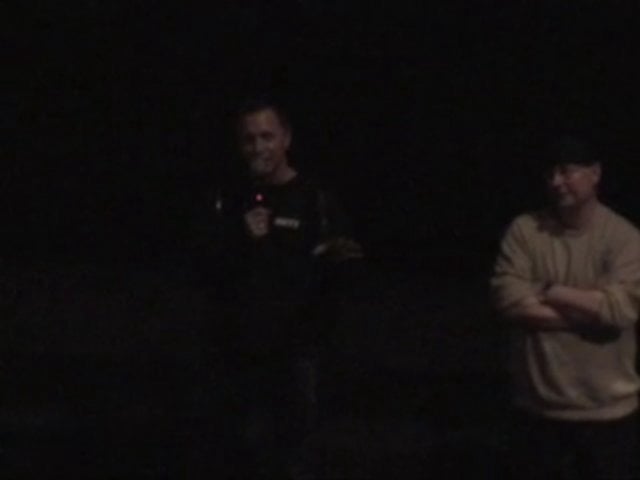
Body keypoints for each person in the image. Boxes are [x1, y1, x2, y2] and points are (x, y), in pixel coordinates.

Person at [191, 98, 362, 478]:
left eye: (267, 137)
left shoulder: (315, 200)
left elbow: (344, 272)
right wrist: (240, 239)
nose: (258, 147)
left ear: (286, 138)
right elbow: (203, 268)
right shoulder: (225, 199)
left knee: (293, 456)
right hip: (234, 355)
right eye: (249, 139)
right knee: (233, 453)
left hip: (296, 356)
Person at [490, 135, 640, 479]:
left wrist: (551, 290)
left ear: (595, 173)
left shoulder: (625, 238)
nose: (556, 182)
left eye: (566, 171)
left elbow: (623, 310)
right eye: (550, 174)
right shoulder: (526, 231)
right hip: (538, 409)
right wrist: (593, 315)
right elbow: (507, 299)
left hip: (608, 413)